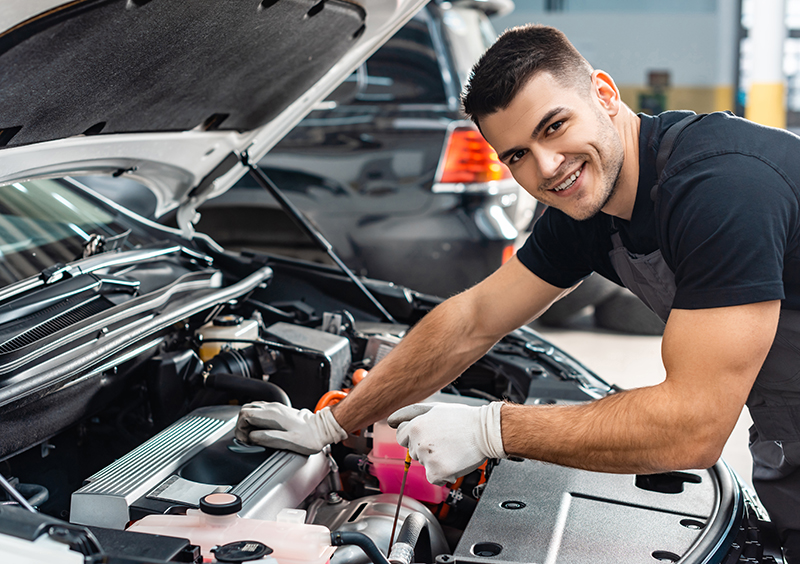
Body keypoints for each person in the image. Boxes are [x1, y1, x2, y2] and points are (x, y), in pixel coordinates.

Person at [236, 24, 800, 560]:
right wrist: (333, 424)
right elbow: (473, 319)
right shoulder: (588, 211)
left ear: (604, 95)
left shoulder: (721, 188)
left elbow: (692, 425)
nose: (547, 167)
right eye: (517, 155)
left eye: (554, 126)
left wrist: (492, 429)